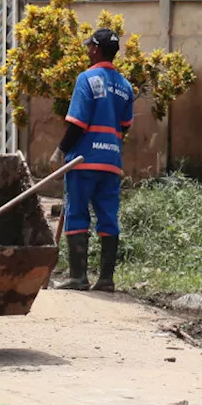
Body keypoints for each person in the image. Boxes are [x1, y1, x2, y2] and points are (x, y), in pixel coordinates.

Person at [49, 29, 135, 292]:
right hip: (111, 161)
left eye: (89, 47)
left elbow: (78, 123)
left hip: (83, 161)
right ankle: (106, 280)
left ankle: (78, 278)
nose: (87, 51)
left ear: (96, 49)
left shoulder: (87, 79)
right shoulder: (125, 85)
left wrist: (60, 151)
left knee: (76, 214)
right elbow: (125, 125)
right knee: (108, 217)